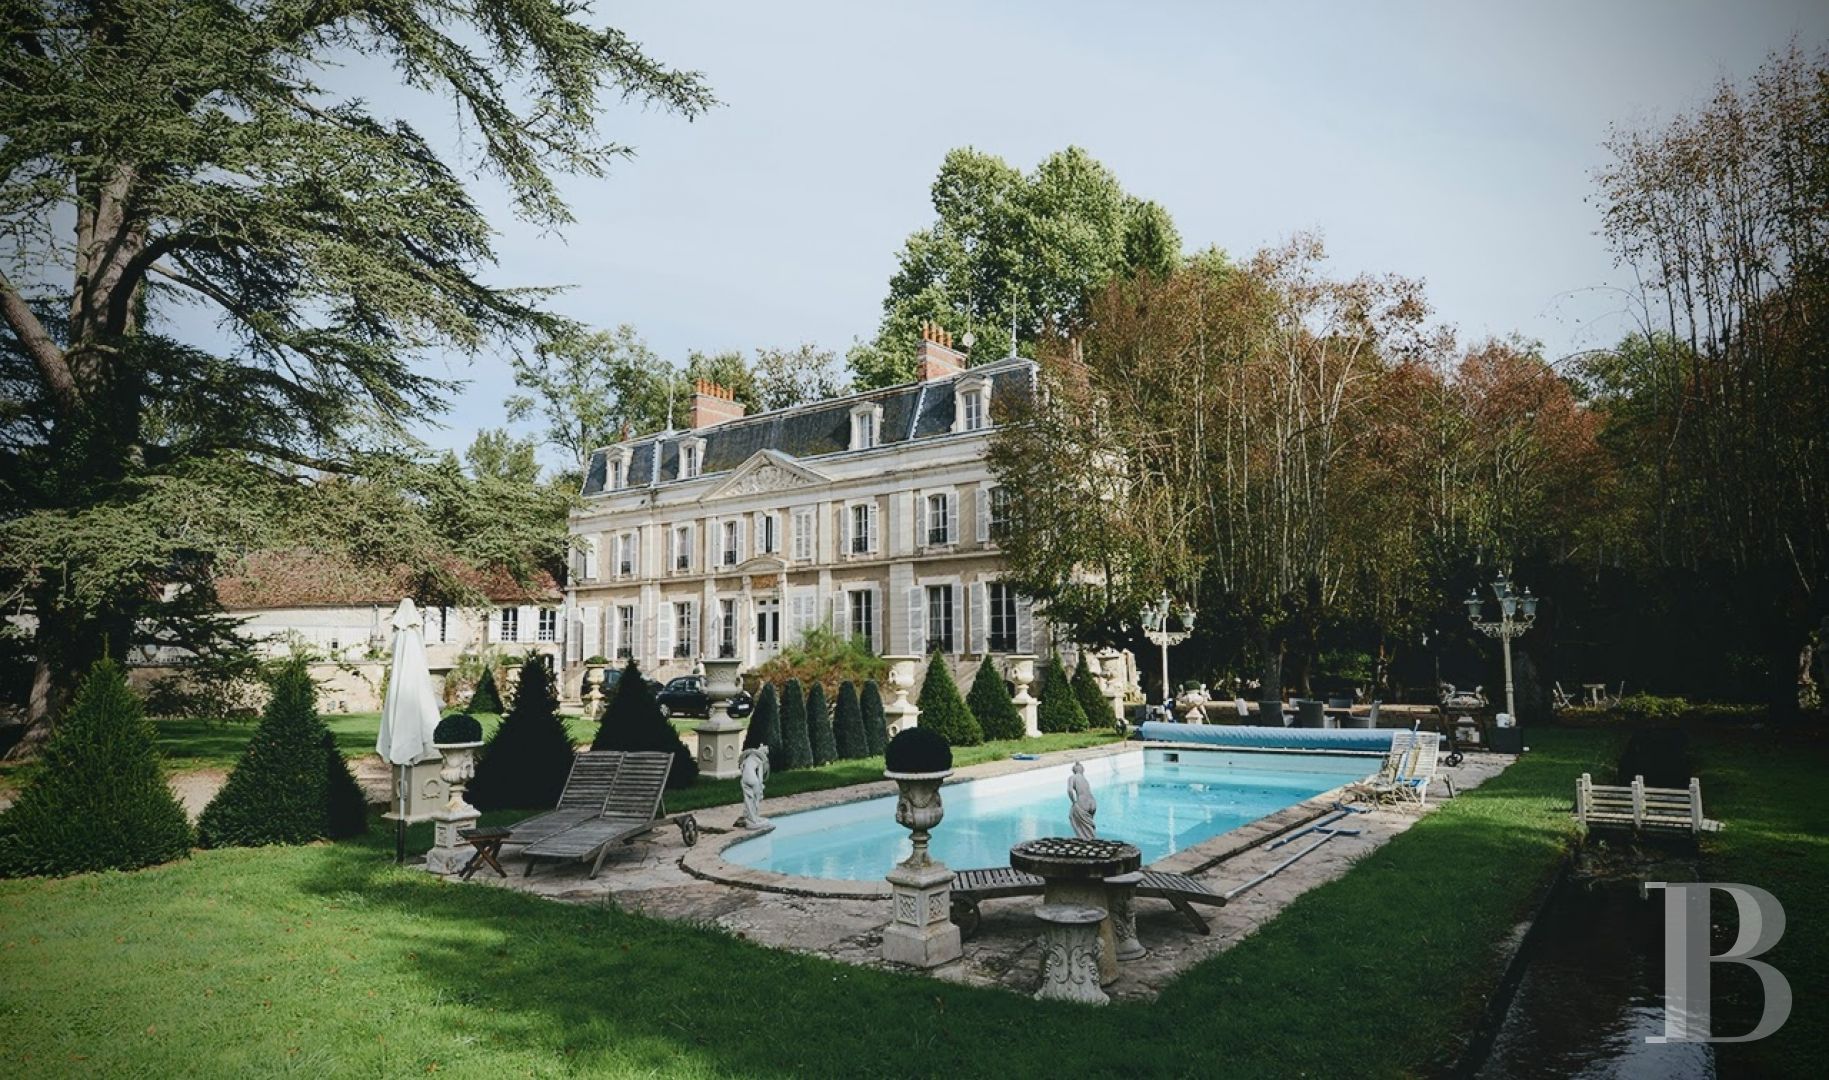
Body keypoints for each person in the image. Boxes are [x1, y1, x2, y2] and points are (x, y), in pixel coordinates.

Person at [1067, 761, 1097, 839]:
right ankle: (1092, 839)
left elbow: (1070, 790)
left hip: (1083, 801)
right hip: (1092, 802)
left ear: (1074, 771)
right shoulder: (1084, 779)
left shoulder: (1072, 777)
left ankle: (1085, 839)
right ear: (1082, 770)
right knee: (1088, 824)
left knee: (1072, 815)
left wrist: (1073, 802)